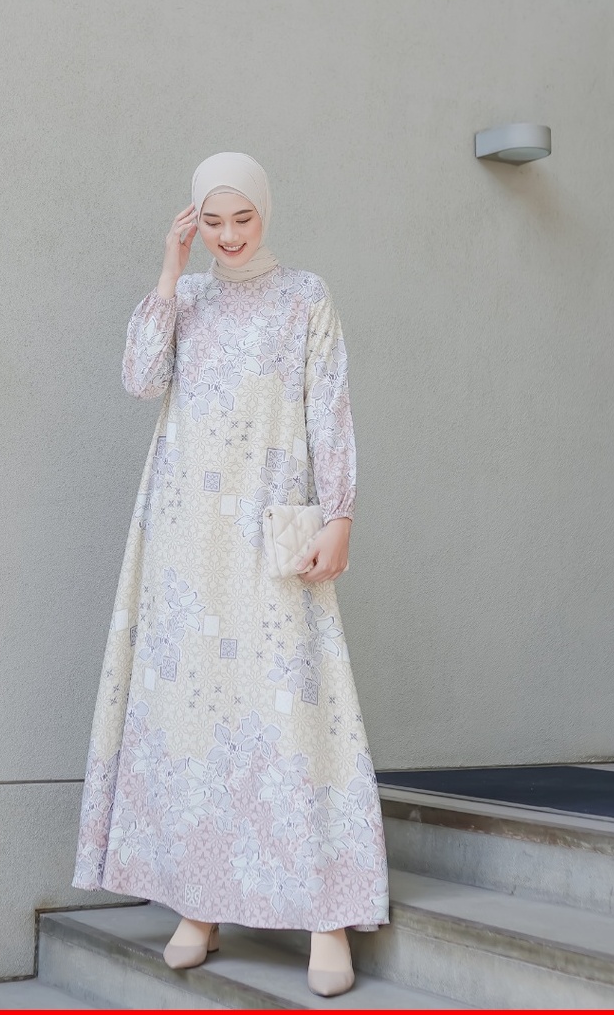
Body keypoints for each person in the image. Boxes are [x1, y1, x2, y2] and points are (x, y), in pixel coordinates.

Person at [72, 152, 389, 997]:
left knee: (293, 711)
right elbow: (140, 379)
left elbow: (330, 406)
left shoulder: (306, 297)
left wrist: (340, 514)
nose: (229, 236)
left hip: (270, 522)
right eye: (211, 222)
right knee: (195, 717)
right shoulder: (188, 298)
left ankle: (327, 915)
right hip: (186, 537)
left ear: (265, 212)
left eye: (241, 219)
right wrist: (170, 270)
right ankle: (200, 903)